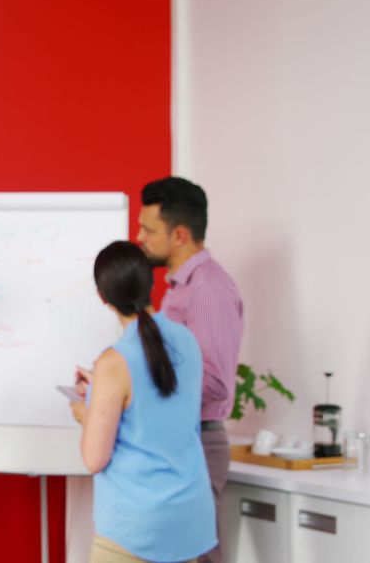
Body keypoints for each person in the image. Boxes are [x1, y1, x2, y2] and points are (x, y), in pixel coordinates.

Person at [70, 241, 216, 563]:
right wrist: (102, 390)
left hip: (136, 527)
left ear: (102, 297)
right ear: (151, 281)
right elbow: (161, 408)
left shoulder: (114, 362)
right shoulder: (186, 340)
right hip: (188, 519)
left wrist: (87, 411)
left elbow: (94, 459)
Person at [136, 176, 243, 563]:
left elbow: (214, 384)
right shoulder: (179, 288)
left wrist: (143, 387)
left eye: (148, 229)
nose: (140, 237)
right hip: (178, 440)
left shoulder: (209, 290)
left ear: (179, 235)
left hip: (196, 442)